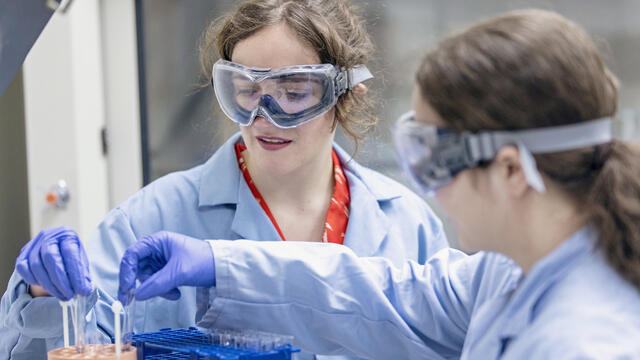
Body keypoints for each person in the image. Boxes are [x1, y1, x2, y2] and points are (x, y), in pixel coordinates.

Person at [117, 9, 640, 359]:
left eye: (435, 159)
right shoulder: (504, 275)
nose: (433, 192)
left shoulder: (586, 341)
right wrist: (220, 264)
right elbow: (382, 295)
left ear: (508, 170)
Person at [0, 1, 448, 359]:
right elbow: (72, 346)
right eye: (247, 91)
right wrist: (42, 296)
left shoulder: (410, 225)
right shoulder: (151, 219)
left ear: (345, 96)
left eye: (294, 94)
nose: (264, 118)